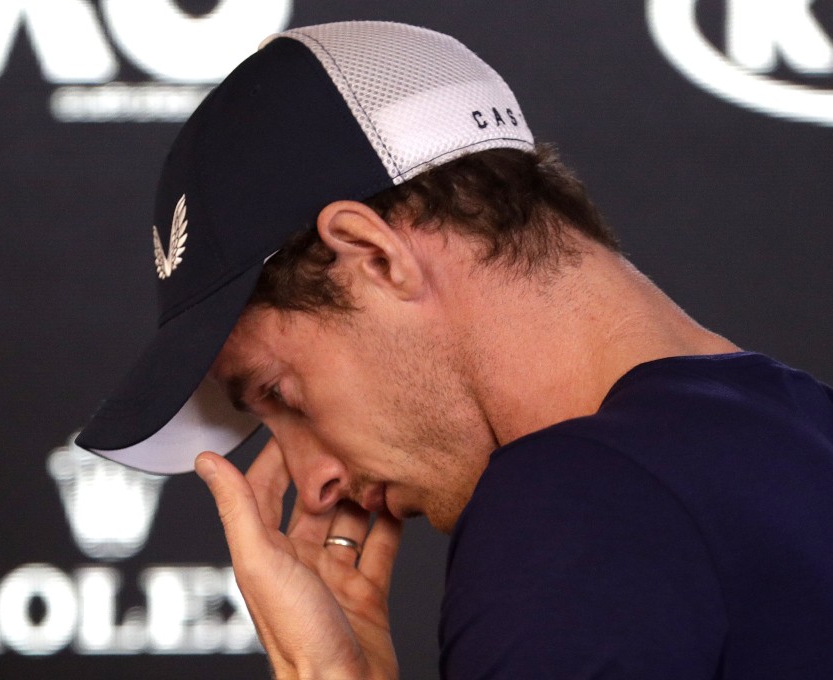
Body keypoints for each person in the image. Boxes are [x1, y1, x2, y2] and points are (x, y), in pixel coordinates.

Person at [76, 21, 833, 679]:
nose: (313, 488)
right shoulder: (806, 426)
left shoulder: (574, 504)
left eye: (278, 392)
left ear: (373, 257)